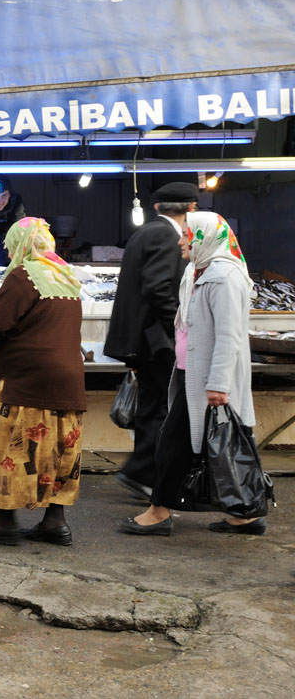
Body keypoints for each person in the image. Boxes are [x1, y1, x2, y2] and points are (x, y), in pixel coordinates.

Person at [118, 212, 261, 537]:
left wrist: (219, 385)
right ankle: (246, 514)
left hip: (209, 381)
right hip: (190, 376)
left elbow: (229, 336)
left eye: (187, 236)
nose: (181, 242)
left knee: (175, 445)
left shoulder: (223, 278)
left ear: (206, 239)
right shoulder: (198, 271)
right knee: (220, 444)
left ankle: (158, 512)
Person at [0, 217, 86, 546]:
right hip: (69, 380)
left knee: (8, 447)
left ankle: (5, 520)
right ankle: (55, 522)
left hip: (27, 380)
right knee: (60, 449)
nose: (8, 255)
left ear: (22, 244)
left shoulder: (23, 276)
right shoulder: (67, 275)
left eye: (10, 247)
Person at [104, 182, 199, 501]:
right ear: (192, 209)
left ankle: (143, 472)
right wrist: (182, 323)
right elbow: (158, 287)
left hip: (143, 338)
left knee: (152, 405)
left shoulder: (146, 231)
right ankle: (142, 472)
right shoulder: (164, 235)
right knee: (159, 406)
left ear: (157, 207)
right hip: (155, 340)